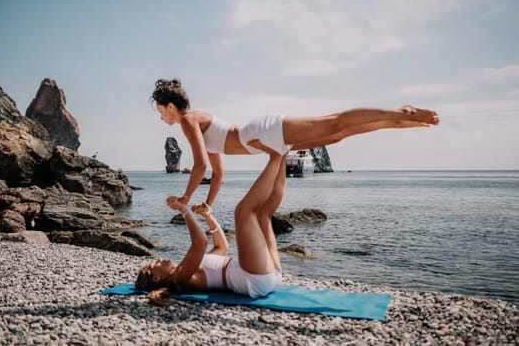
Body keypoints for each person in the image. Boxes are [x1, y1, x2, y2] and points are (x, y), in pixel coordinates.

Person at [151, 78, 439, 207]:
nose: (161, 117)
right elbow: (218, 171)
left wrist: (185, 199)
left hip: (263, 132)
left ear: (171, 106)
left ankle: (402, 112)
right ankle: (396, 120)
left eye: (161, 111)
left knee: (334, 122)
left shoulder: (188, 121)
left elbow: (199, 166)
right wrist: (208, 204)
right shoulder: (195, 121)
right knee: (336, 135)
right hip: (264, 140)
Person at [135, 150, 287, 304]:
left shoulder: (188, 268)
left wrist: (208, 216)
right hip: (253, 278)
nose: (159, 258)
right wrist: (183, 210)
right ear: (156, 278)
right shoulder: (179, 278)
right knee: (243, 212)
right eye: (155, 264)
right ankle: (276, 154)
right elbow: (200, 242)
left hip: (266, 276)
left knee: (263, 215)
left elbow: (222, 245)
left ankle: (283, 153)